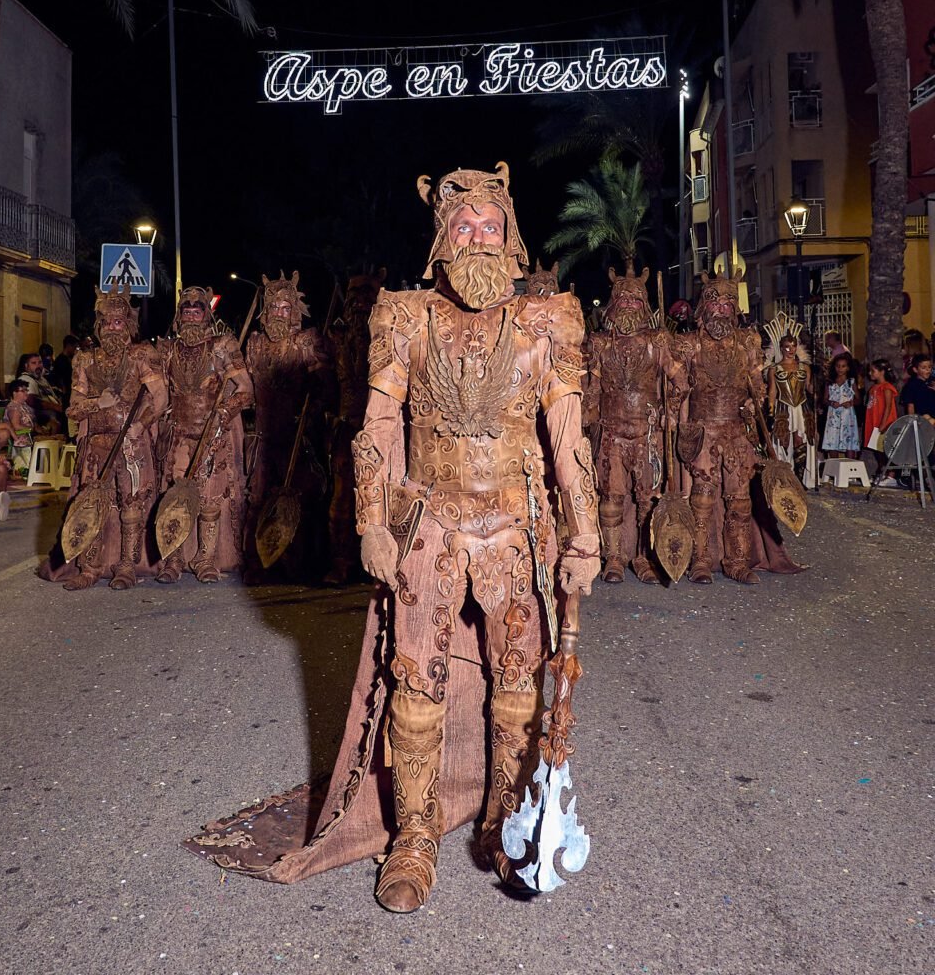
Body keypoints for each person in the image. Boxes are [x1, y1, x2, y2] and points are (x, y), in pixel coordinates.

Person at [184, 162, 600, 912]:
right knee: (417, 682)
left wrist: (586, 535)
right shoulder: (403, 318)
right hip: (430, 526)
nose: (477, 237)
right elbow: (377, 428)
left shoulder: (549, 320)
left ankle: (507, 826)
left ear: (511, 241)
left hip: (514, 530)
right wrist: (371, 523)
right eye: (463, 225)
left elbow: (569, 436)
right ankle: (414, 833)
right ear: (442, 241)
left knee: (515, 686)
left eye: (490, 225)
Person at [673, 272, 802, 584]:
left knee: (740, 500)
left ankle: (737, 561)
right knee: (702, 500)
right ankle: (700, 561)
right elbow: (677, 390)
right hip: (703, 431)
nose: (722, 308)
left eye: (729, 303)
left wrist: (752, 402)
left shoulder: (747, 343)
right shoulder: (689, 345)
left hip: (735, 432)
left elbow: (756, 386)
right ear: (704, 307)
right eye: (715, 302)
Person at [40, 287, 167, 590]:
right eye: (107, 322)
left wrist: (142, 423)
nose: (113, 327)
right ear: (98, 324)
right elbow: (72, 408)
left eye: (119, 322)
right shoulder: (84, 360)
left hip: (131, 443)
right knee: (93, 503)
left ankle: (126, 567)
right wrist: (99, 403)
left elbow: (160, 396)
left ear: (128, 324)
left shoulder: (142, 354)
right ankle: (90, 567)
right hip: (96, 442)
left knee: (131, 504)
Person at [583, 261, 688, 583]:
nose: (628, 305)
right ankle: (613, 558)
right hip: (612, 433)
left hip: (647, 434)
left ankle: (643, 557)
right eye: (623, 299)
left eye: (635, 300)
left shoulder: (658, 342)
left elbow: (680, 381)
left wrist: (669, 410)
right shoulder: (600, 343)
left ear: (643, 305)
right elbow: (594, 387)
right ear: (614, 303)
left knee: (647, 499)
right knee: (611, 498)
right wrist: (586, 419)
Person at [158, 287, 253, 583]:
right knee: (175, 496)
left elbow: (245, 390)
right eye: (185, 311)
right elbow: (159, 393)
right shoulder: (167, 349)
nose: (190, 315)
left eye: (196, 311)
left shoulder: (222, 346)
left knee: (210, 498)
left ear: (206, 315)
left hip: (212, 435)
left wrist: (224, 412)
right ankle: (172, 558)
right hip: (178, 435)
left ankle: (205, 558)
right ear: (179, 316)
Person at [243, 271, 333, 583]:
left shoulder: (307, 342)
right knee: (260, 498)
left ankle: (302, 565)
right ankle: (261, 564)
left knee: (300, 500)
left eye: (284, 308)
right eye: (273, 308)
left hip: (299, 434)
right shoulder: (255, 345)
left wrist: (313, 407)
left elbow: (325, 383)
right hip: (267, 436)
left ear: (293, 312)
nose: (278, 314)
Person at [323, 270, 382, 584]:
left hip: (379, 430)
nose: (360, 305)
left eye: (366, 297)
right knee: (342, 500)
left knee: (379, 498)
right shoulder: (336, 340)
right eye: (354, 298)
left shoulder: (387, 337)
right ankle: (342, 562)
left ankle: (376, 565)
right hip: (345, 428)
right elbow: (327, 385)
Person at [767, 332, 816, 487]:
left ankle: (800, 479)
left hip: (802, 406)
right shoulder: (774, 369)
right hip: (783, 406)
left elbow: (809, 387)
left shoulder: (805, 367)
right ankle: (785, 477)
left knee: (800, 439)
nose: (791, 349)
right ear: (781, 348)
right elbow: (772, 391)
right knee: (783, 440)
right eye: (787, 346)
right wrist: (770, 411)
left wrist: (817, 385)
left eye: (793, 345)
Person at [863, 359, 899, 484]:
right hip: (874, 423)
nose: (870, 373)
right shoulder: (873, 388)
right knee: (877, 450)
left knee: (886, 450)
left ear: (882, 372)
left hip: (884, 423)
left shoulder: (887, 387)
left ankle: (891, 475)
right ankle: (882, 472)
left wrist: (883, 424)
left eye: (873, 371)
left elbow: (888, 406)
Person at [820, 353, 861, 458]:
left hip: (848, 416)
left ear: (848, 368)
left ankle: (850, 468)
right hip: (833, 416)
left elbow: (858, 399)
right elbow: (824, 399)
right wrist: (831, 403)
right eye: (838, 366)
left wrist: (850, 403)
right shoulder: (829, 382)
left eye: (843, 366)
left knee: (849, 442)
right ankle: (834, 467)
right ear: (834, 367)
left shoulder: (851, 382)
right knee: (832, 441)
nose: (840, 369)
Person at [16, 353, 64, 434]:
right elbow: (32, 401)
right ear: (26, 366)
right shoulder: (25, 379)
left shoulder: (42, 379)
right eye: (34, 363)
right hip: (35, 415)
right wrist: (56, 407)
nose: (38, 366)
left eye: (40, 362)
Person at [50, 335, 80, 401]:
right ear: (68, 346)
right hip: (66, 392)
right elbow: (60, 378)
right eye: (74, 347)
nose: (75, 350)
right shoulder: (61, 361)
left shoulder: (71, 359)